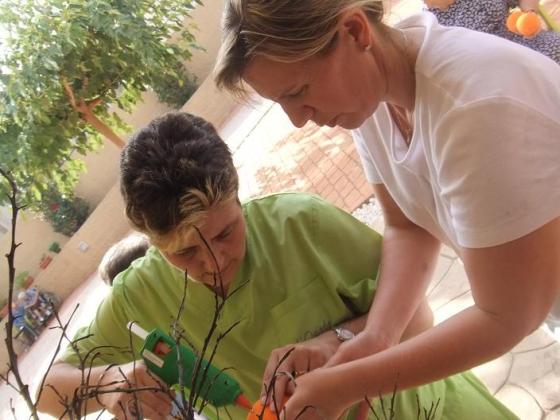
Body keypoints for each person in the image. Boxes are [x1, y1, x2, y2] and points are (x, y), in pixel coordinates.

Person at [36, 112, 517, 420]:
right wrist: (108, 383)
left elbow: (419, 321)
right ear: (153, 244)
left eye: (225, 233)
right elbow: (48, 394)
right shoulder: (139, 297)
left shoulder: (301, 223)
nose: (214, 262)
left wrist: (334, 341)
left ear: (238, 194)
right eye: (184, 254)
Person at [214, 1, 560, 419]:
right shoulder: (375, 98)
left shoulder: (473, 107)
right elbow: (407, 226)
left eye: (298, 91)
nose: (298, 120)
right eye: (280, 103)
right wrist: (376, 335)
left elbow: (506, 315)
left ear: (355, 31)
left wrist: (348, 384)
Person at [424, 0, 560, 64]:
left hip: (524, 40)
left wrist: (529, 13)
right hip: (494, 66)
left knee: (556, 48)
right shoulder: (429, 24)